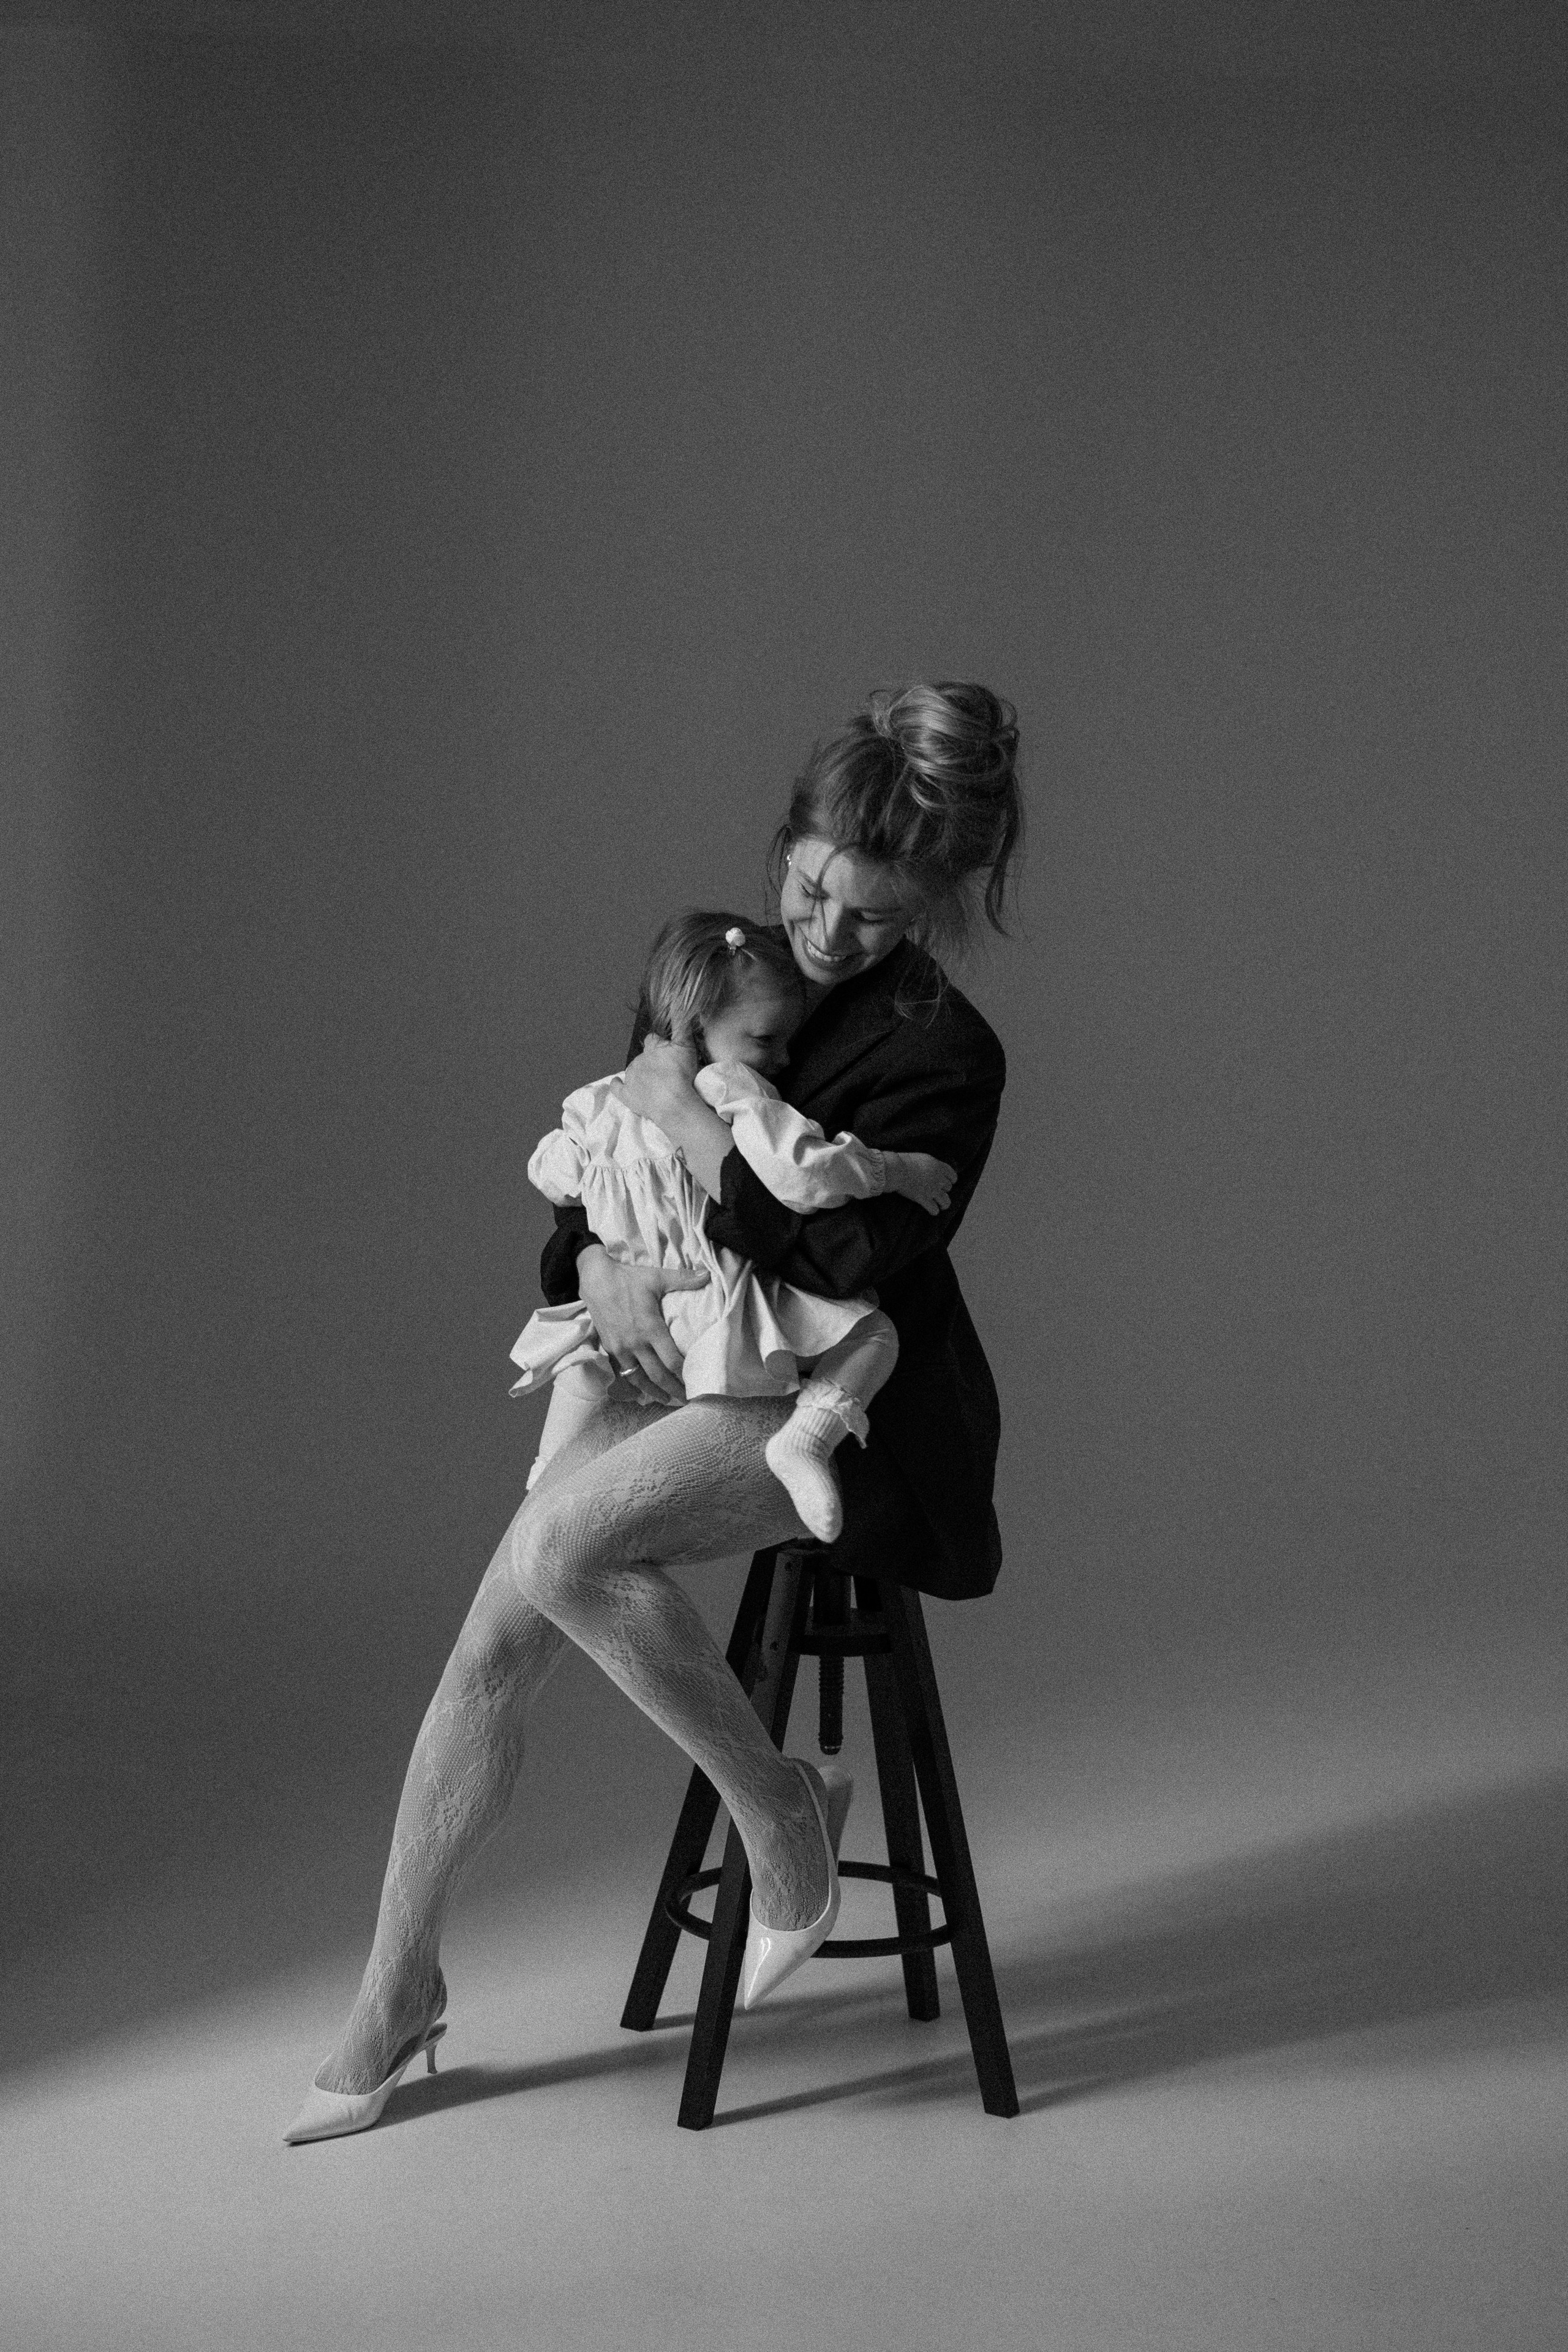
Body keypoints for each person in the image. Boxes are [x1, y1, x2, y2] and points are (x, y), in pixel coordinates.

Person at [284, 679, 1022, 2143]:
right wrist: (601, 1268)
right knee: (496, 1625)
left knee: (559, 1555)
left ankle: (779, 1811)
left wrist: (693, 1120)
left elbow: (844, 1256)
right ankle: (396, 1986)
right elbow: (600, 1163)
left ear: (931, 901)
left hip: (831, 1396)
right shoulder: (721, 964)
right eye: (810, 885)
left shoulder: (947, 1054)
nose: (825, 931)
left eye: (871, 916)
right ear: (786, 845)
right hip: (670, 1355)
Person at [510, 907, 958, 1542]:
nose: (783, 1058)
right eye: (766, 1039)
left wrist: (605, 1236)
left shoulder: (596, 1101)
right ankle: (806, 1437)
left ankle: (542, 1478)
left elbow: (551, 1174)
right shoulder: (729, 1090)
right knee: (875, 1334)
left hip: (631, 1322)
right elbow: (801, 1175)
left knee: (579, 1364)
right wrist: (895, 1171)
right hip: (711, 1307)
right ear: (698, 1028)